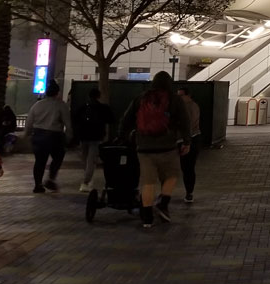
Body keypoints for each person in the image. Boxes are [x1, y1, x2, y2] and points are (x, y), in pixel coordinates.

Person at [120, 72, 190, 228]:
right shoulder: (174, 99)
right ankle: (163, 203)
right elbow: (185, 121)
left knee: (148, 182)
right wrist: (187, 141)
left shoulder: (141, 99)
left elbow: (126, 119)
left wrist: (125, 136)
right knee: (172, 175)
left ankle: (147, 218)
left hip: (144, 148)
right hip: (167, 146)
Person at [23, 81, 72, 193]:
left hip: (38, 135)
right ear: (57, 92)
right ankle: (50, 178)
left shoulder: (37, 105)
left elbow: (29, 122)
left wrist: (26, 135)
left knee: (39, 161)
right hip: (55, 136)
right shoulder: (61, 105)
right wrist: (69, 136)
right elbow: (67, 123)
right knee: (58, 157)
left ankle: (38, 185)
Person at [72, 88, 114, 192]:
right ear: (98, 96)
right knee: (91, 160)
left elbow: (75, 119)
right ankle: (86, 181)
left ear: (88, 96)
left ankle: (87, 178)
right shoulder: (103, 108)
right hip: (96, 136)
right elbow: (111, 119)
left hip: (83, 136)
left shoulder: (83, 107)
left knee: (85, 158)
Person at [177, 86, 201, 203]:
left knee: (187, 168)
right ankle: (189, 192)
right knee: (187, 168)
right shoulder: (188, 106)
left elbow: (189, 125)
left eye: (181, 95)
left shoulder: (191, 107)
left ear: (188, 95)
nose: (179, 98)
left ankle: (189, 192)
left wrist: (186, 142)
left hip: (189, 140)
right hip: (187, 139)